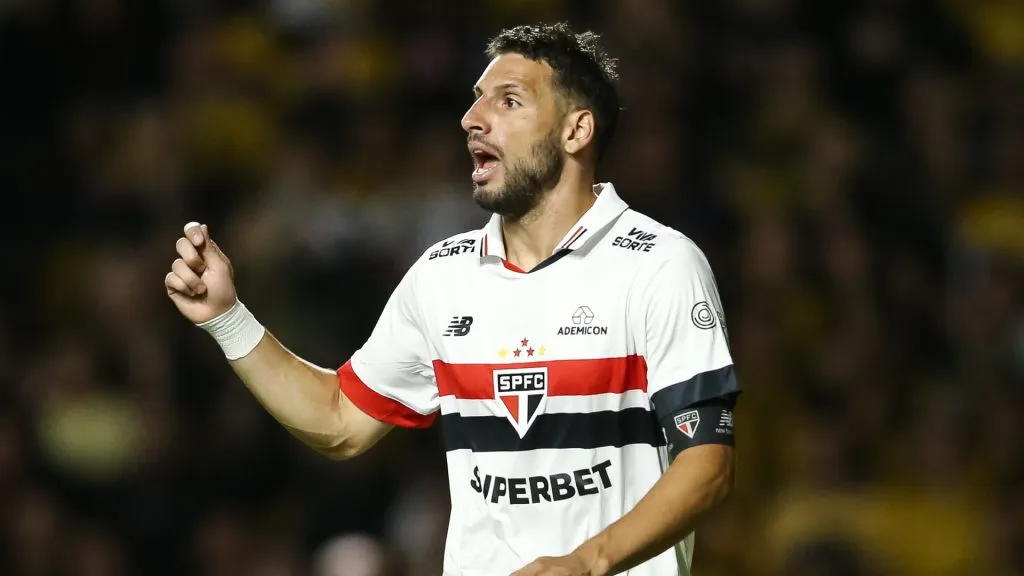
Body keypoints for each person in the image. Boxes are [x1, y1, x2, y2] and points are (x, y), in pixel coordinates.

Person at [165, 22, 740, 576]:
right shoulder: (442, 277)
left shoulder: (657, 264)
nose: (472, 119)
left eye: (508, 101)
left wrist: (587, 561)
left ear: (576, 131)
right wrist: (228, 318)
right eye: (476, 99)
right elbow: (340, 420)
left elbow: (707, 465)